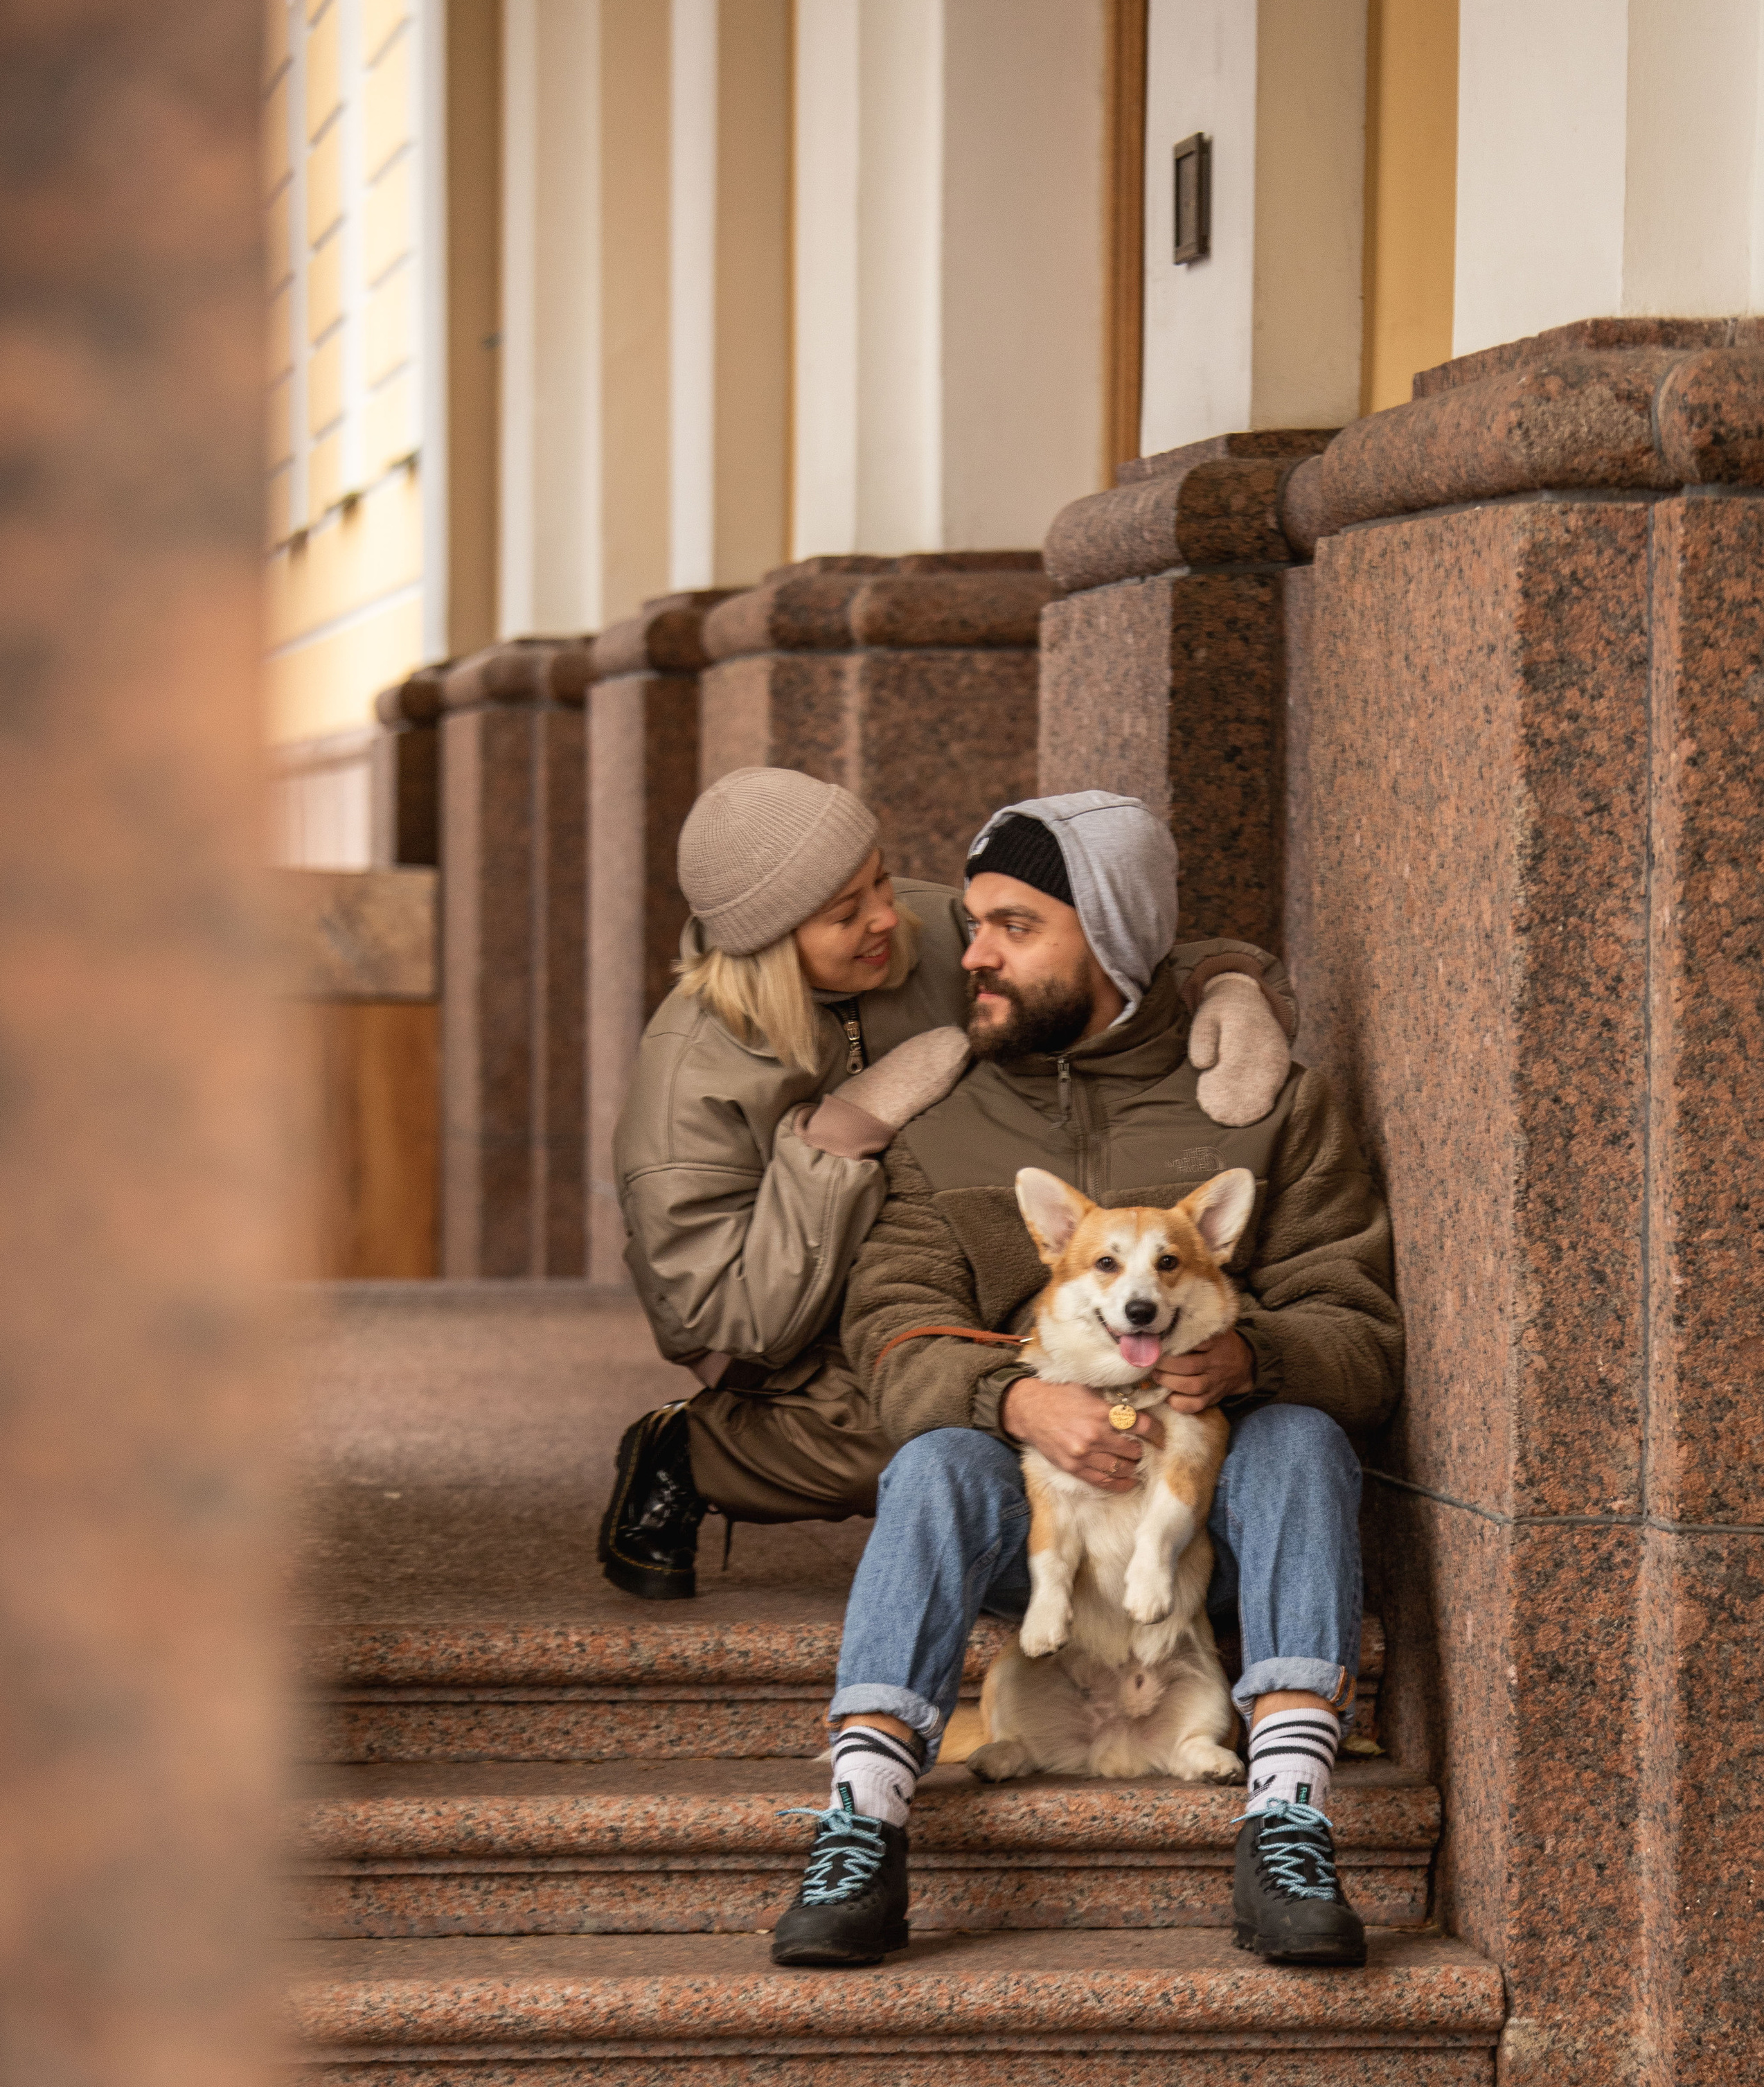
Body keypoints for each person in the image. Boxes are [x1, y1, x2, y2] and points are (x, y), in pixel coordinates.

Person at [769, 795, 1403, 1970]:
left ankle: (1288, 1817)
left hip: (1210, 1531)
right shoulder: (942, 1120)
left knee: (1304, 1435)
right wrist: (1015, 1401)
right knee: (935, 1462)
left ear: (1109, 936)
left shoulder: (1274, 1109)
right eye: (973, 925)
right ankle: (863, 1819)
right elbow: (890, 1335)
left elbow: (1360, 1328)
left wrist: (1252, 1358)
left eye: (1015, 926)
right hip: (1045, 1537)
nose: (974, 956)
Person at [600, 769, 1299, 1599]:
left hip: (965, 1267)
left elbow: (1096, 946)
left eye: (880, 879)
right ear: (768, 940)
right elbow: (723, 1325)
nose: (887, 918)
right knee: (943, 1423)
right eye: (845, 913)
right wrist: (839, 1141)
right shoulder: (694, 1072)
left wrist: (1228, 980)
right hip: (799, 1338)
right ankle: (697, 1454)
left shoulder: (927, 930)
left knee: (1081, 1395)